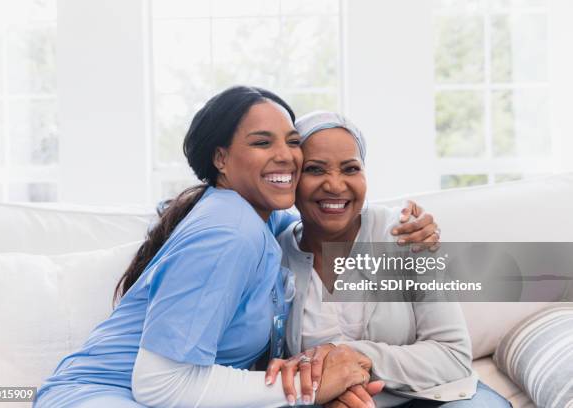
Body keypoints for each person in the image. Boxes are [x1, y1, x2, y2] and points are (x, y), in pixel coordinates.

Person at [34, 87, 437, 408]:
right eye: (262, 143)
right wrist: (311, 388)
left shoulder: (260, 217)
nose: (285, 156)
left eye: (292, 142)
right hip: (101, 396)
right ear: (221, 158)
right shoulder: (230, 231)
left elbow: (323, 213)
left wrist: (399, 222)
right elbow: (159, 383)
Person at [268, 111, 512, 408]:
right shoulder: (275, 257)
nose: (335, 184)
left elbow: (452, 355)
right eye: (315, 170)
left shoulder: (406, 235)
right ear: (292, 178)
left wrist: (355, 357)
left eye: (350, 168)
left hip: (434, 396)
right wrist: (326, 394)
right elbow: (271, 368)